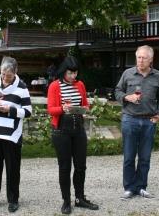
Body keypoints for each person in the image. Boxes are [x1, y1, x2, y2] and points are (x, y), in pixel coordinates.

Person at [47, 56, 99, 214]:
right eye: (70, 73)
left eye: (75, 73)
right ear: (64, 71)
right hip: (61, 129)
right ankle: (66, 201)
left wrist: (84, 108)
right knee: (64, 167)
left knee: (81, 166)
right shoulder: (55, 86)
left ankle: (80, 198)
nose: (73, 76)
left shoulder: (80, 84)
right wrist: (64, 108)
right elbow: (51, 109)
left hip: (78, 128)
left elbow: (85, 104)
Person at [115, 45, 159, 200]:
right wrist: (127, 97)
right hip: (130, 119)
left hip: (148, 121)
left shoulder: (157, 76)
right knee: (129, 156)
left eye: (144, 57)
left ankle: (141, 186)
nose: (141, 60)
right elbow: (117, 91)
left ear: (151, 59)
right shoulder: (128, 73)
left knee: (145, 157)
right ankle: (129, 188)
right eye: (138, 57)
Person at [0, 56, 32, 213]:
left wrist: (10, 109)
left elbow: (28, 111)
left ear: (15, 72)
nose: (4, 79)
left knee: (12, 169)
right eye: (3, 74)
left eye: (8, 76)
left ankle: (13, 200)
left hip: (11, 135)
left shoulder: (22, 87)